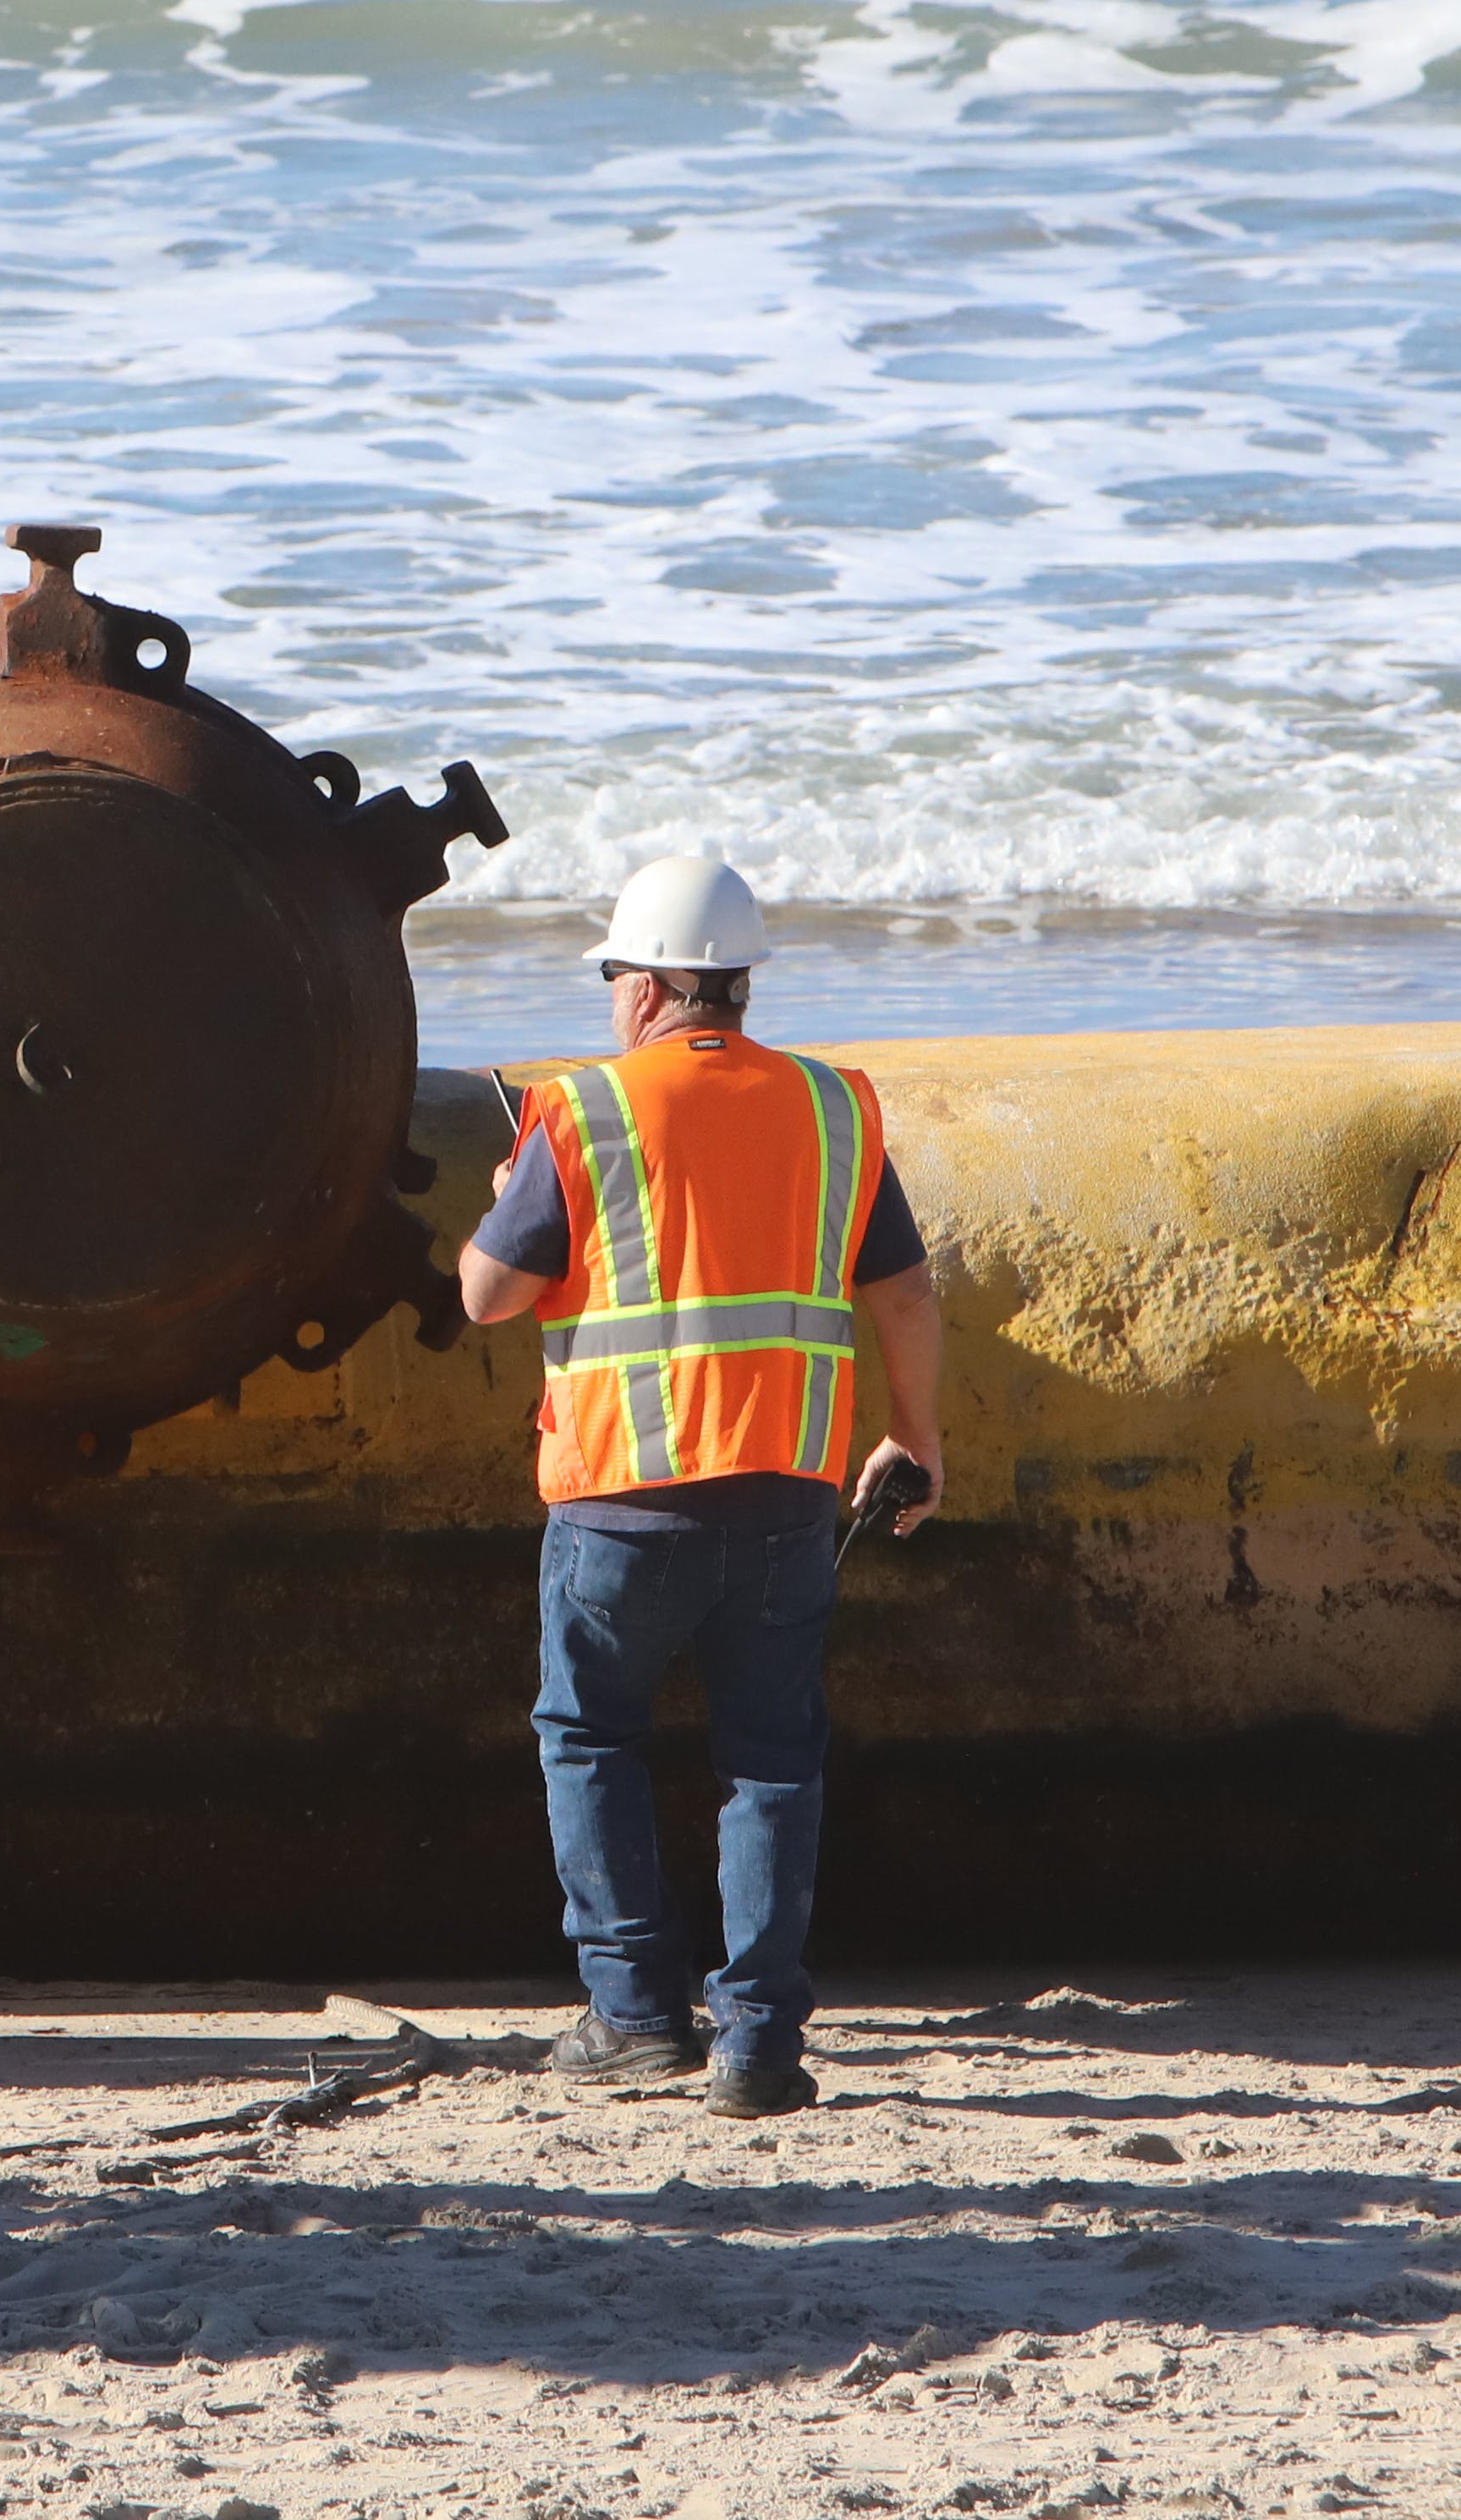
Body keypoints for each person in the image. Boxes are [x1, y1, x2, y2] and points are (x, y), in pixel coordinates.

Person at [456, 853, 943, 2121]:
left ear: (656, 987)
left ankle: (634, 2015)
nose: (614, 995)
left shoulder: (586, 1111)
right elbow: (901, 1289)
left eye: (618, 974)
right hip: (787, 1500)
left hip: (622, 1502)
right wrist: (918, 1438)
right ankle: (759, 2043)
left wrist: (497, 1205)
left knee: (591, 1736)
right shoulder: (834, 1109)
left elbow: (486, 1294)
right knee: (773, 1760)